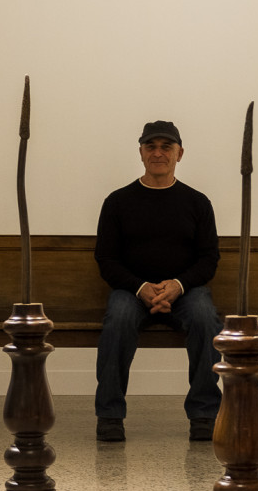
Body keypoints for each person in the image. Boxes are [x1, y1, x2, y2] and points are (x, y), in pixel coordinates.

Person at [93, 120, 223, 442]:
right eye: (151, 146)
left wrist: (177, 285)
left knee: (207, 319)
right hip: (132, 290)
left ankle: (204, 414)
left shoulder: (197, 203)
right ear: (140, 153)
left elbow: (209, 259)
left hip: (185, 291)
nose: (158, 153)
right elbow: (106, 259)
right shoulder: (117, 202)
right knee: (118, 319)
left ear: (180, 154)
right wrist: (141, 288)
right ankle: (110, 414)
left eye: (166, 147)